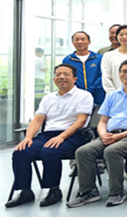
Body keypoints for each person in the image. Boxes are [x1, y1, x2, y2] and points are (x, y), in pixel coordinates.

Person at [67, 59, 127, 208]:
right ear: (119, 74)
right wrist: (103, 134)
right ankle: (89, 191)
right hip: (109, 135)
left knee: (112, 151)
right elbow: (103, 121)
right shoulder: (112, 96)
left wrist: (120, 136)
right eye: (124, 71)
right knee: (83, 152)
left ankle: (116, 192)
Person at [7, 65, 93, 208]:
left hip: (73, 135)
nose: (61, 77)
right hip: (47, 135)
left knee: (50, 151)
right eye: (58, 74)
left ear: (74, 79)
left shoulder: (84, 95)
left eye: (66, 74)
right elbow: (37, 120)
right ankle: (25, 191)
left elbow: (81, 121)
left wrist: (61, 137)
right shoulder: (48, 98)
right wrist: (28, 138)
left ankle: (54, 190)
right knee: (21, 152)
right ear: (53, 79)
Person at [62, 31, 105, 108]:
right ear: (73, 42)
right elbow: (67, 78)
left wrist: (90, 90)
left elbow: (103, 76)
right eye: (77, 39)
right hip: (76, 98)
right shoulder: (67, 60)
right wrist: (79, 92)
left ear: (89, 42)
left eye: (82, 39)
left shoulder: (99, 58)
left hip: (98, 97)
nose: (80, 42)